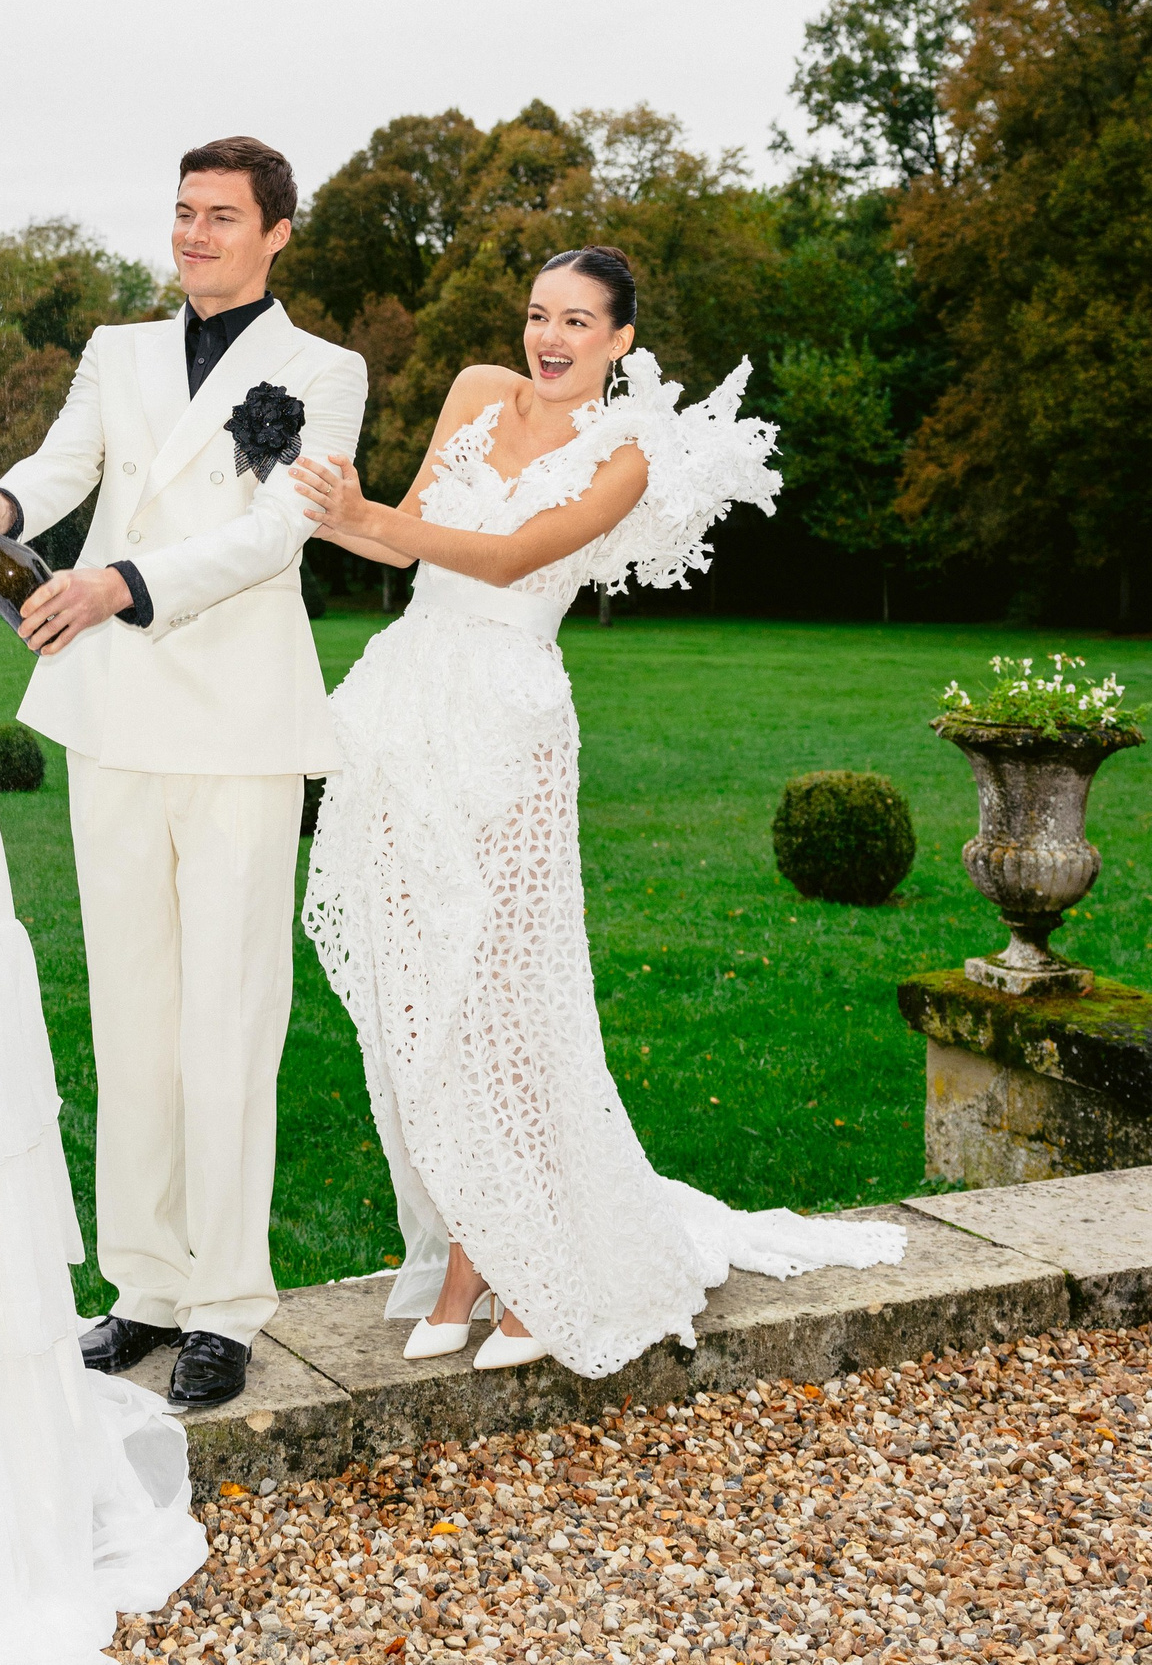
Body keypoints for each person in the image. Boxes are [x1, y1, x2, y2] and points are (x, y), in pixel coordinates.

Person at [295, 243, 904, 1377]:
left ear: (621, 340)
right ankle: (472, 1249)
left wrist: (371, 513)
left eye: (579, 321)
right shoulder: (476, 392)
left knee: (507, 992)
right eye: (540, 313)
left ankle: (518, 1266)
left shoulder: (627, 455)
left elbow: (510, 557)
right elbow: (398, 532)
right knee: (420, 991)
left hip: (509, 721)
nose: (551, 337)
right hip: (404, 704)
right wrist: (317, 504)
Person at [0, 138, 366, 1410]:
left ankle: (226, 1305)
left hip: (238, 725)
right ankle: (144, 1290)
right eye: (182, 212)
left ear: (277, 234)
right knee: (131, 1017)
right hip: (113, 717)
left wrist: (119, 582)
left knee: (230, 1020)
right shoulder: (116, 352)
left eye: (221, 216)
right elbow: (60, 471)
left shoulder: (324, 371)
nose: (193, 234)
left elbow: (279, 531)